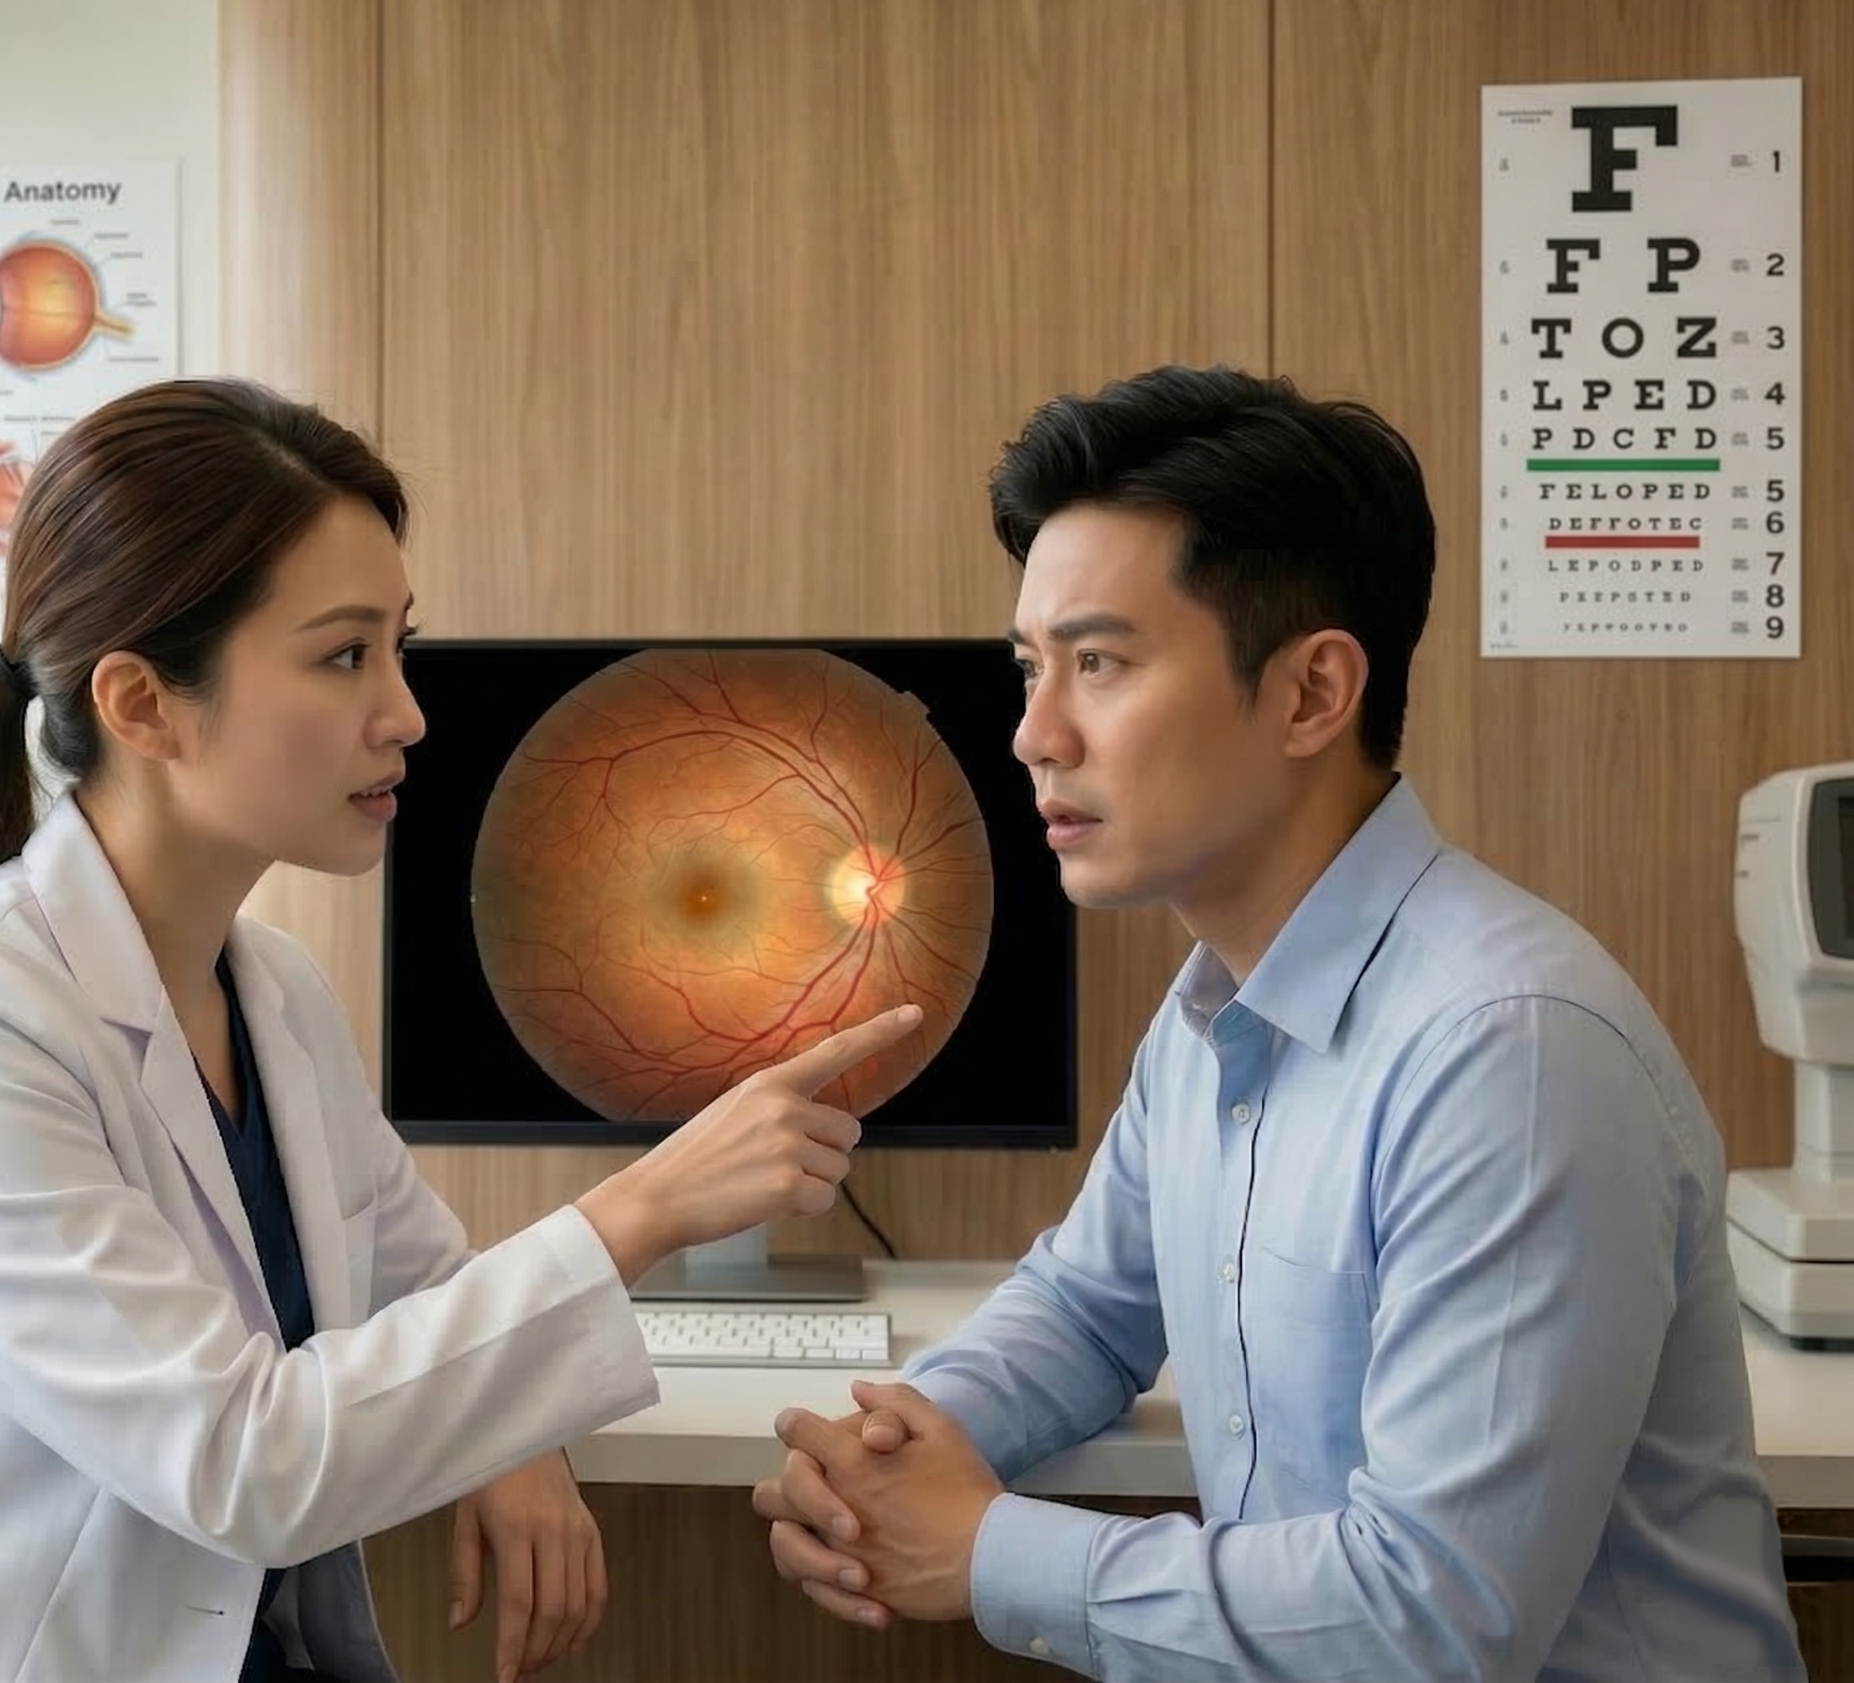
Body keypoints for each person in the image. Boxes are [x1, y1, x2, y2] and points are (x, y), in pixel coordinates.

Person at [0, 378, 917, 1683]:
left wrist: (516, 1430)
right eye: (343, 655)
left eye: (400, 644)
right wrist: (651, 1206)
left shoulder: (267, 991)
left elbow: (429, 1284)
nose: (407, 711)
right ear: (144, 703)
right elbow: (239, 1459)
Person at [751, 365, 1806, 1681]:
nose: (1033, 733)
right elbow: (1088, 1304)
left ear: (1312, 694)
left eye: (1098, 663)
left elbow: (1432, 1615)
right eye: (1030, 667)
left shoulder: (1511, 1053)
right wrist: (894, 1449)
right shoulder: (1210, 1009)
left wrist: (984, 1550)